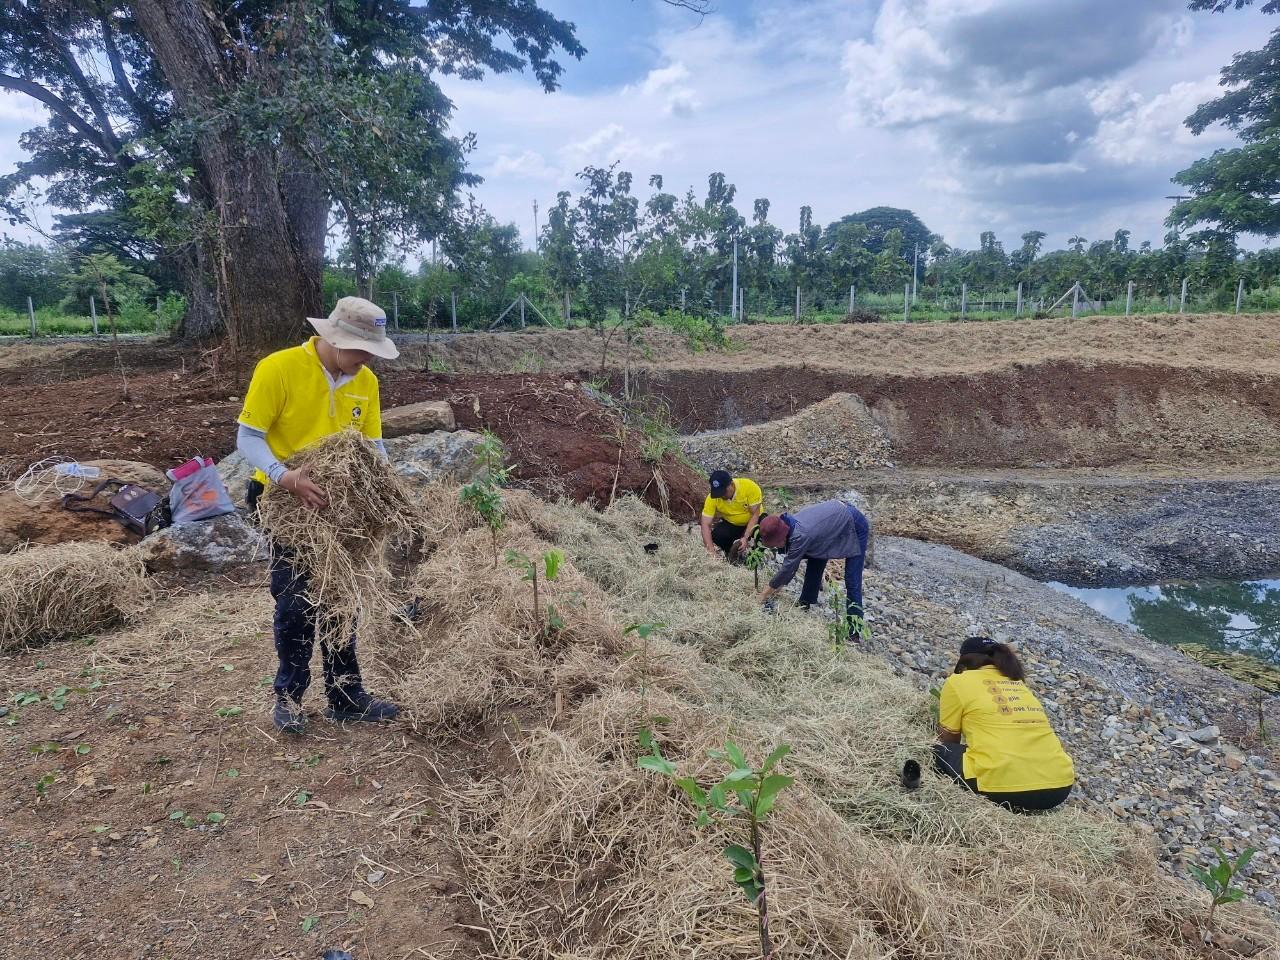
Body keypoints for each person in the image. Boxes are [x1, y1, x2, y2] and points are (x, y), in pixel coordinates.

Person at [236, 296, 402, 735]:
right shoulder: (279, 369)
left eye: (372, 352)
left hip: (340, 502)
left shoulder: (364, 380)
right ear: (334, 339)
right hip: (284, 499)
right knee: (296, 601)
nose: (368, 360)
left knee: (342, 596)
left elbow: (372, 445)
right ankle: (289, 697)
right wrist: (284, 476)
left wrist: (391, 488)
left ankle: (346, 697)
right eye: (362, 350)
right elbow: (248, 436)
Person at [933, 636, 1074, 813]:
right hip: (1059, 789)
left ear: (965, 659)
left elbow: (948, 738)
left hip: (1003, 789)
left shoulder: (958, 681)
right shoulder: (1018, 683)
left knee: (934, 751)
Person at [756, 499, 870, 634]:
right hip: (832, 521)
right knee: (816, 557)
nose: (775, 547)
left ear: (782, 536)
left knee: (852, 578)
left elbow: (789, 567)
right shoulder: (788, 524)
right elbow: (792, 565)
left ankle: (855, 631)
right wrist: (776, 587)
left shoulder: (800, 535)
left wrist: (763, 595)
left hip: (854, 523)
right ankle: (805, 603)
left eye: (775, 543)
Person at [700, 470, 766, 561]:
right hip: (733, 524)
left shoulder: (749, 487)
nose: (721, 495)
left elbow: (755, 515)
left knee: (766, 527)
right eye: (718, 493)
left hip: (755, 521)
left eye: (724, 492)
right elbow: (705, 525)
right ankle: (731, 555)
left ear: (731, 484)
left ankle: (755, 558)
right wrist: (711, 552)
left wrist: (745, 537)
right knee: (717, 536)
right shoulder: (712, 498)